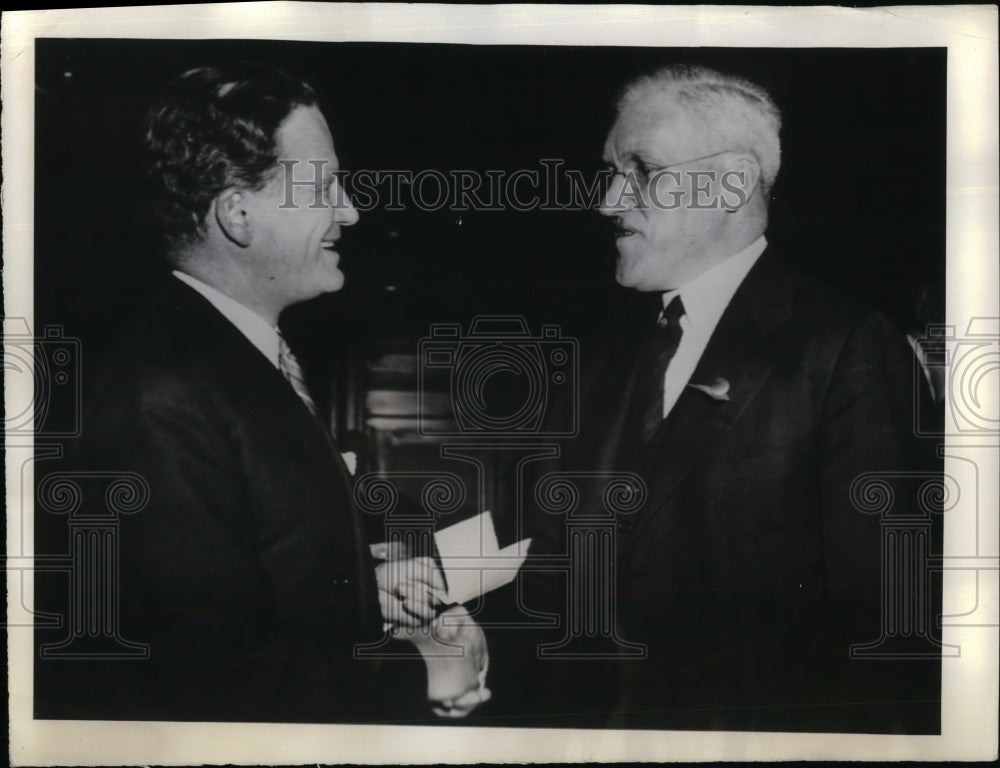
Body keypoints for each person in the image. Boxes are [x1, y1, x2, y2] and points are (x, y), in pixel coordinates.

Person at [34, 62, 486, 723]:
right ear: (238, 213)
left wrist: (365, 590)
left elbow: (250, 564)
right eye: (324, 186)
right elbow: (209, 687)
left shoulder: (227, 355)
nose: (351, 211)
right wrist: (429, 673)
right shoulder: (162, 396)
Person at [524, 64, 942, 733]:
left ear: (732, 184)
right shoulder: (598, 357)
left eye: (642, 169)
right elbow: (553, 570)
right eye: (609, 170)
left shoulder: (844, 347)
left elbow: (886, 627)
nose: (606, 201)